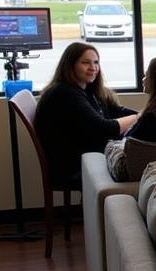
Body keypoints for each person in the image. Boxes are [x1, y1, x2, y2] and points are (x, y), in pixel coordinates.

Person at [35, 43, 138, 187]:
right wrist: (138, 118)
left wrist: (145, 115)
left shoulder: (86, 90)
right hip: (73, 166)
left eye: (96, 62)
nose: (93, 68)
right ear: (70, 65)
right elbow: (104, 129)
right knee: (141, 165)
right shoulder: (64, 93)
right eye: (85, 63)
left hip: (88, 156)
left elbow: (116, 111)